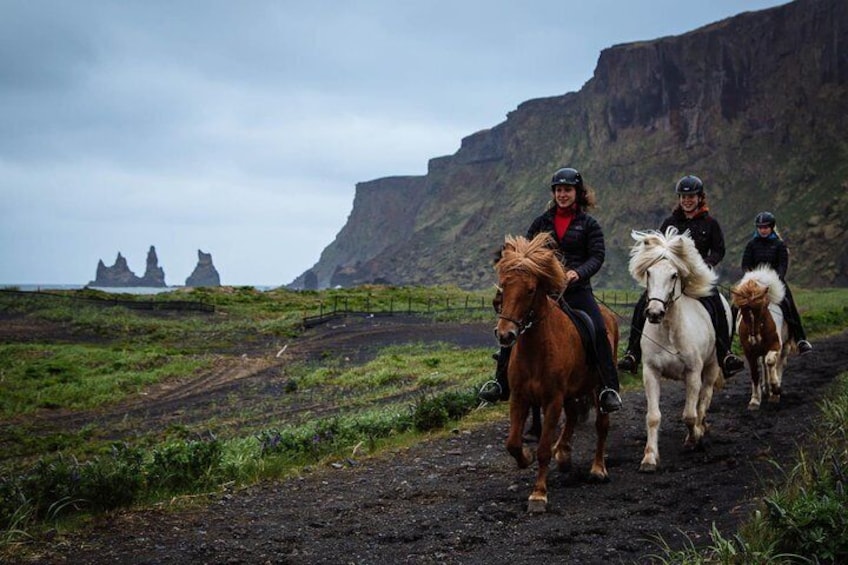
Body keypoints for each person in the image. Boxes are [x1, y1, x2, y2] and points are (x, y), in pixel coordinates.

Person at [479, 167, 622, 413]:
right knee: (513, 324)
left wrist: (578, 272)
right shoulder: (541, 222)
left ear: (578, 192)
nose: (562, 194)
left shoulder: (589, 224)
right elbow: (524, 255)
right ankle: (500, 382)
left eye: (567, 190)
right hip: (546, 293)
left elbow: (597, 256)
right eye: (558, 190)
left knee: (598, 330)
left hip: (577, 291)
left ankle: (608, 388)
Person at [618, 175, 745, 377]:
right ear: (679, 198)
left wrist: (707, 264)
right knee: (643, 303)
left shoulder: (711, 223)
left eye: (691, 196)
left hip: (697, 278)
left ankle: (725, 354)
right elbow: (658, 249)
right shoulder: (670, 222)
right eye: (683, 196)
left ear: (700, 198)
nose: (687, 200)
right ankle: (632, 353)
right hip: (671, 278)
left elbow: (719, 250)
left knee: (717, 305)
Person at [740, 211, 813, 354]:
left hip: (775, 283)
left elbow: (782, 266)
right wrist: (751, 278)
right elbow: (745, 265)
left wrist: (774, 280)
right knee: (737, 305)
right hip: (754, 283)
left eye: (766, 227)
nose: (763, 230)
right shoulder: (751, 245)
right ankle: (730, 345)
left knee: (789, 305)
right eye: (760, 227)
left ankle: (800, 339)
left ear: (772, 227)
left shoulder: (779, 245)